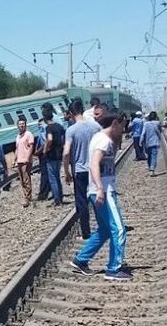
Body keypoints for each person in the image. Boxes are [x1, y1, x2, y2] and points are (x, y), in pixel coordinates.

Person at [70, 112, 131, 281]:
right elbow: (94, 164)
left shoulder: (104, 138)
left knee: (105, 230)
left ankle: (81, 260)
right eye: (122, 125)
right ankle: (114, 268)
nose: (124, 128)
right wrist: (99, 189)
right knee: (118, 228)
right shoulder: (103, 141)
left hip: (102, 190)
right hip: (103, 191)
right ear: (114, 123)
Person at [63, 99, 102, 240]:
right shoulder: (96, 127)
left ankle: (86, 233)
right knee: (97, 199)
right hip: (95, 168)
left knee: (81, 202)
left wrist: (66, 172)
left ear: (71, 113)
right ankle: (103, 228)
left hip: (79, 170)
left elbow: (66, 152)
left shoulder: (71, 130)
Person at [43, 109, 65, 207]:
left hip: (51, 155)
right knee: (57, 177)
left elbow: (50, 139)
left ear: (44, 118)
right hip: (59, 154)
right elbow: (63, 139)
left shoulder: (49, 128)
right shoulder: (59, 126)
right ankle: (60, 196)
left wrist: (45, 149)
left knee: (52, 178)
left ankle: (57, 200)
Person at [14, 119, 35, 207]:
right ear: (17, 126)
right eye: (20, 124)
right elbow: (17, 148)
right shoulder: (18, 136)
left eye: (23, 124)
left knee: (26, 179)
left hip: (26, 160)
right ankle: (25, 196)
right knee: (22, 180)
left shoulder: (29, 134)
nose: (21, 125)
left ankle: (28, 198)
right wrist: (14, 159)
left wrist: (28, 158)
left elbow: (31, 146)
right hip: (19, 160)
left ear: (25, 125)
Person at [140, 111, 162, 177]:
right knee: (154, 156)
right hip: (155, 142)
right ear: (156, 117)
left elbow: (143, 133)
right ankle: (152, 169)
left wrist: (140, 141)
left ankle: (150, 168)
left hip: (147, 143)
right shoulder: (158, 123)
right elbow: (160, 131)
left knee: (149, 156)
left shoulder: (146, 124)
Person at [34, 118, 51, 201]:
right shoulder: (42, 131)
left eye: (40, 124)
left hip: (44, 154)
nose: (39, 126)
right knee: (46, 173)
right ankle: (47, 190)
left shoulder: (44, 130)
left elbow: (45, 142)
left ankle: (43, 194)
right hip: (43, 154)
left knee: (45, 174)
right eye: (38, 124)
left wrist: (38, 151)